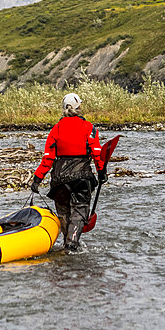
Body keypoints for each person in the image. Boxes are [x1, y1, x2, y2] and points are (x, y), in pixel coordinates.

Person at [30, 92, 106, 251]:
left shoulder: (55, 129)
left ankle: (66, 246)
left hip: (59, 179)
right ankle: (71, 246)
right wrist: (101, 172)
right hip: (82, 176)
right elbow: (97, 153)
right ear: (79, 108)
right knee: (80, 210)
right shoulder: (89, 128)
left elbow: (47, 159)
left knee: (63, 213)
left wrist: (37, 179)